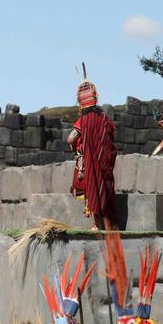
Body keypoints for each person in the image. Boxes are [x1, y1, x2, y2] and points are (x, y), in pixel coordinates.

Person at [67, 74, 118, 230]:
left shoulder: (83, 121)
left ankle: (98, 224)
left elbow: (70, 139)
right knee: (106, 189)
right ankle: (111, 224)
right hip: (105, 161)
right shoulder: (104, 118)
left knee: (94, 189)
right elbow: (110, 135)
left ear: (81, 103)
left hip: (91, 162)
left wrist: (77, 148)